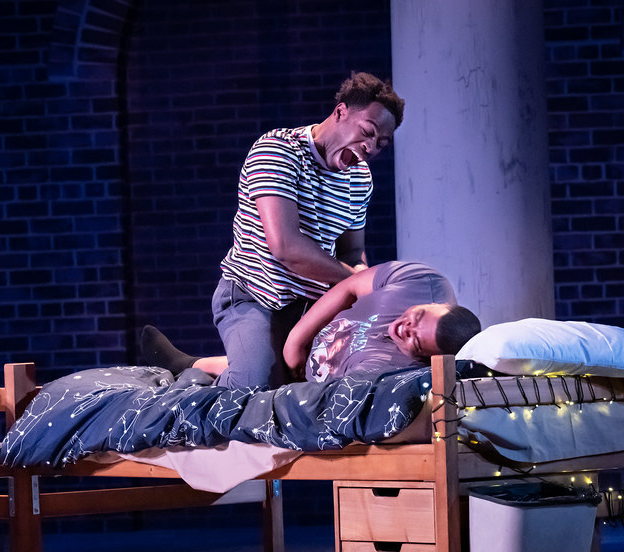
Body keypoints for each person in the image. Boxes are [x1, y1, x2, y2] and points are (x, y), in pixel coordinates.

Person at [213, 72, 405, 389]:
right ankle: (188, 377)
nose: (370, 147)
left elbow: (351, 253)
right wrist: (356, 282)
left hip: (309, 307)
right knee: (253, 388)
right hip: (254, 297)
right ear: (341, 112)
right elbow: (286, 248)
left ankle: (235, 361)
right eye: (368, 132)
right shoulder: (278, 151)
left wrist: (365, 296)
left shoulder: (360, 179)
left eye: (381, 143)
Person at [142, 261, 481, 384]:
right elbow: (348, 288)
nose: (405, 328)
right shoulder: (423, 282)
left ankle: (186, 369)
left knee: (253, 380)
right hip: (303, 328)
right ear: (436, 303)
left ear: (425, 358)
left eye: (415, 341)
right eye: (418, 316)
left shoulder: (396, 369)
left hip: (302, 379)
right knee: (262, 358)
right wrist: (296, 341)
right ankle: (187, 365)